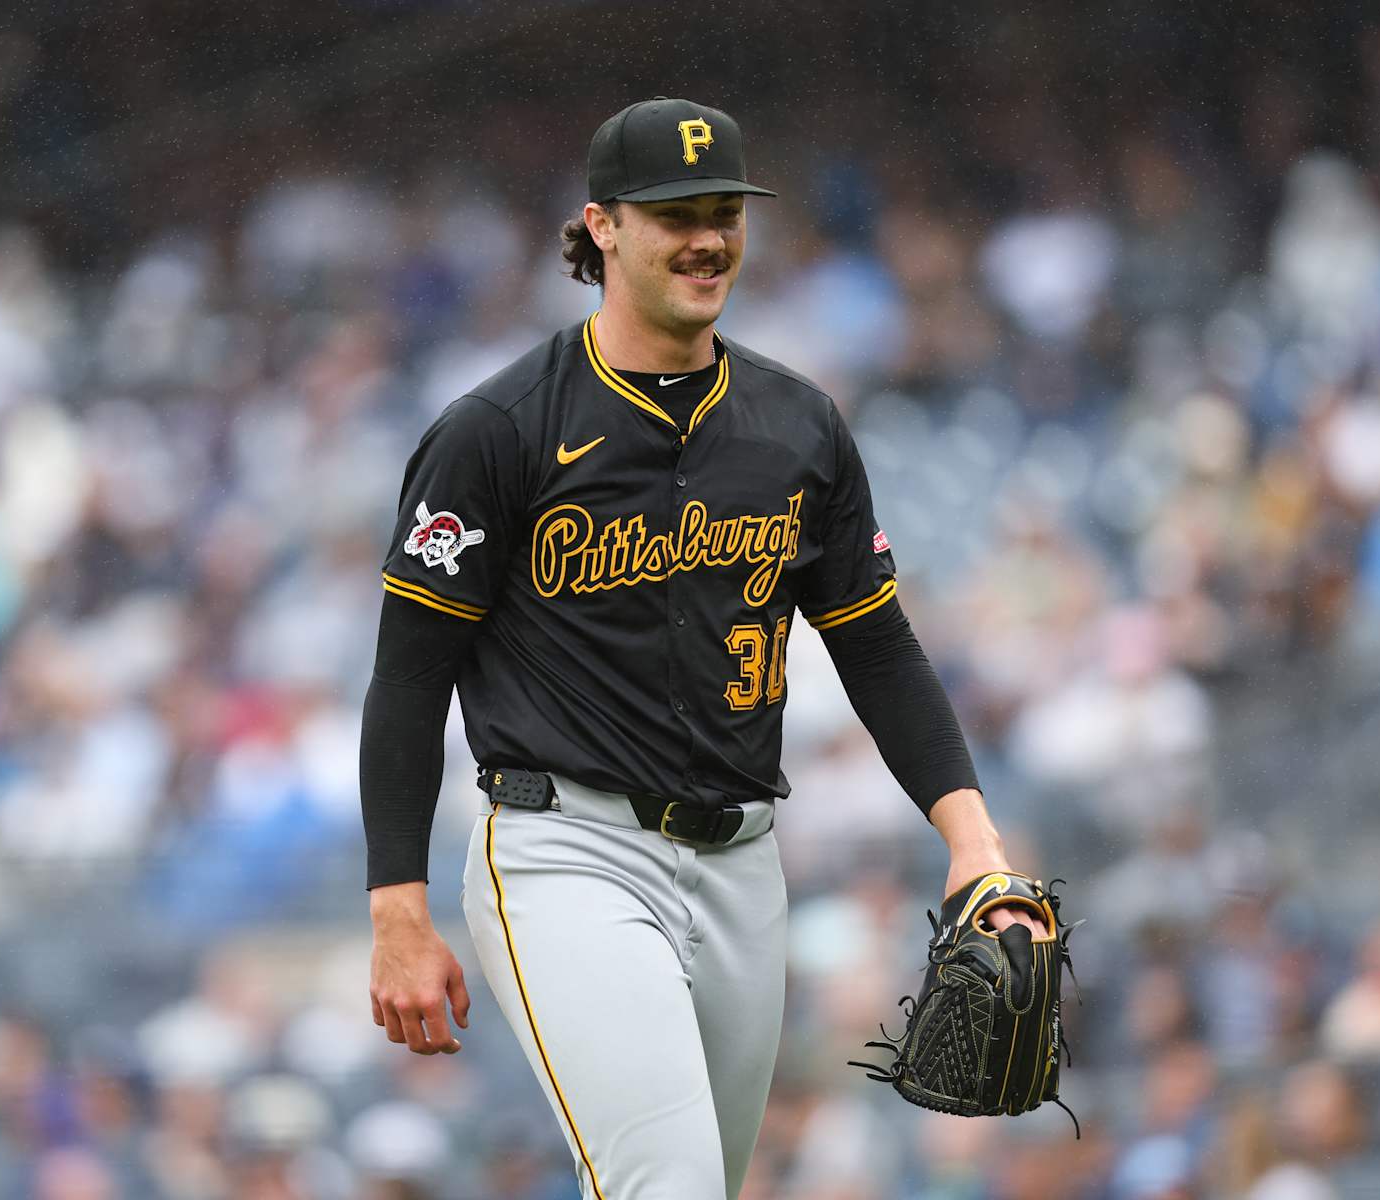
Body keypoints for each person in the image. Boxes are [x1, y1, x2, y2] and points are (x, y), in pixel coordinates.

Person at [359, 97, 1043, 1199]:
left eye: (723, 209)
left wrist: (976, 844)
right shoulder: (499, 430)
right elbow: (407, 679)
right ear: (603, 228)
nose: (707, 236)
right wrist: (398, 909)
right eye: (675, 213)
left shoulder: (799, 424)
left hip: (742, 863)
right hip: (566, 851)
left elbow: (877, 647)